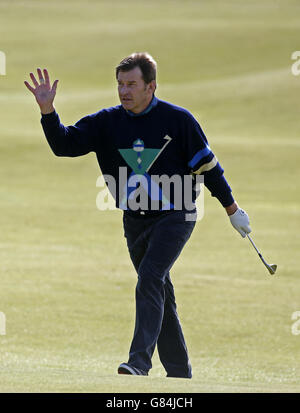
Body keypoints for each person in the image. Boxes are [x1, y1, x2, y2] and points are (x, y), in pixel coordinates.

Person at [24, 52, 251, 379]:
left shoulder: (179, 121)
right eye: (120, 84)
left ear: (151, 86)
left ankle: (139, 363)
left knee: (149, 278)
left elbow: (208, 168)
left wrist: (233, 210)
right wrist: (48, 111)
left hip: (177, 213)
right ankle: (179, 375)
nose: (124, 91)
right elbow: (65, 145)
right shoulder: (106, 122)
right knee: (158, 289)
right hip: (134, 219)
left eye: (131, 84)